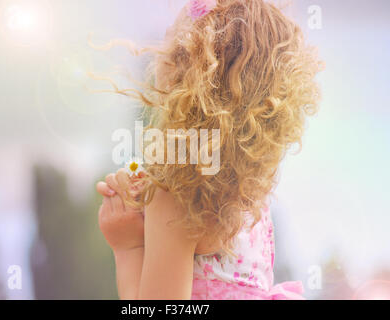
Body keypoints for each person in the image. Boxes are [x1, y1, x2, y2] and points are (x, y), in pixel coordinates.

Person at [96, 0, 322, 300]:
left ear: (183, 71)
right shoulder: (251, 201)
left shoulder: (177, 194)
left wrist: (127, 246)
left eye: (168, 40)